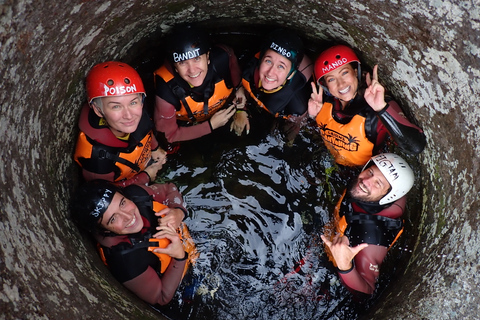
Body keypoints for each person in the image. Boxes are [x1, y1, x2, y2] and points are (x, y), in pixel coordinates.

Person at [71, 179, 193, 305]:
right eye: (113, 219)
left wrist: (178, 211)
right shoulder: (126, 260)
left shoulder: (136, 194)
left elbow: (169, 188)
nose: (128, 216)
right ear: (104, 231)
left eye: (122, 203)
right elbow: (161, 298)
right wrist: (179, 257)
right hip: (185, 280)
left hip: (189, 240)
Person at [308, 45, 426, 166]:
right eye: (331, 79)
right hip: (331, 161)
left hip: (364, 170)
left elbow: (415, 147)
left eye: (344, 73)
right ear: (326, 86)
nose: (341, 83)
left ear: (355, 72)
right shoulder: (325, 103)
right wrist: (314, 116)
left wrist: (381, 108)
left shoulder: (377, 107)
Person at [321, 153, 414, 294]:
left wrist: (344, 264)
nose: (366, 181)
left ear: (388, 197)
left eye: (378, 183)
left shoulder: (371, 238)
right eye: (370, 172)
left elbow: (366, 294)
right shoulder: (369, 189)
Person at [74, 61, 167, 187]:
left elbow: (145, 129)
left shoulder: (137, 112)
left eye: (133, 103)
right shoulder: (97, 159)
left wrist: (155, 148)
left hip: (146, 164)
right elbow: (106, 193)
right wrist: (145, 177)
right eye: (116, 106)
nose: (128, 115)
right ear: (98, 110)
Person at [153, 25, 246, 143]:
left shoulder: (223, 60)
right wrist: (210, 126)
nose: (192, 70)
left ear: (207, 57)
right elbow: (168, 135)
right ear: (175, 67)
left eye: (197, 59)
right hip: (187, 127)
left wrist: (242, 110)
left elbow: (240, 86)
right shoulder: (166, 90)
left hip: (224, 112)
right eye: (182, 63)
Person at [230, 29, 314, 136]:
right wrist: (241, 109)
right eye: (268, 61)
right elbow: (244, 85)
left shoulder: (296, 105)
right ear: (260, 60)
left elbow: (294, 128)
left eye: (280, 67)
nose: (270, 73)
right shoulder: (250, 67)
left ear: (291, 75)